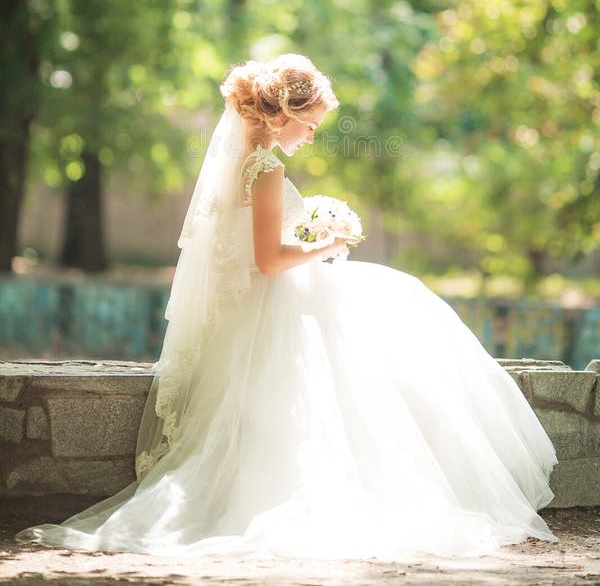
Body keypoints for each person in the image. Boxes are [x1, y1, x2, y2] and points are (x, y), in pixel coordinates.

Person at [15, 53, 558, 561]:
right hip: (272, 303)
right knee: (400, 303)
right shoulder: (265, 168)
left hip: (247, 310)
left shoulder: (238, 159)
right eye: (311, 125)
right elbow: (271, 260)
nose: (312, 136)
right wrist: (331, 241)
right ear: (285, 116)